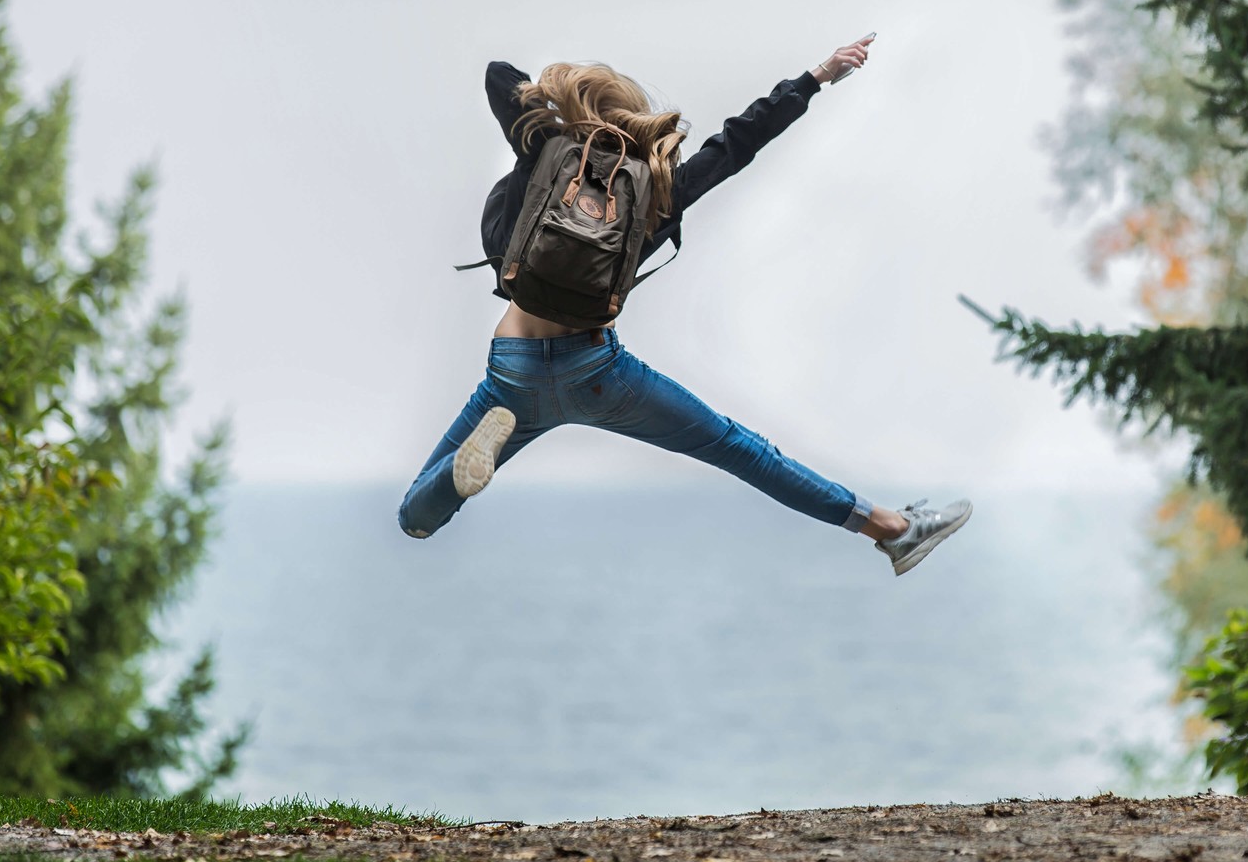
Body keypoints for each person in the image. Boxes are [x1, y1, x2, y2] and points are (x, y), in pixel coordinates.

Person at [396, 36, 971, 576]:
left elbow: (500, 76)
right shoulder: (656, 189)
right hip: (597, 372)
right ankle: (891, 529)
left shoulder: (544, 151)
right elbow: (738, 143)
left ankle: (458, 475)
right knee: (740, 450)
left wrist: (564, 110)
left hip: (513, 371)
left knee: (415, 518)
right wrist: (816, 77)